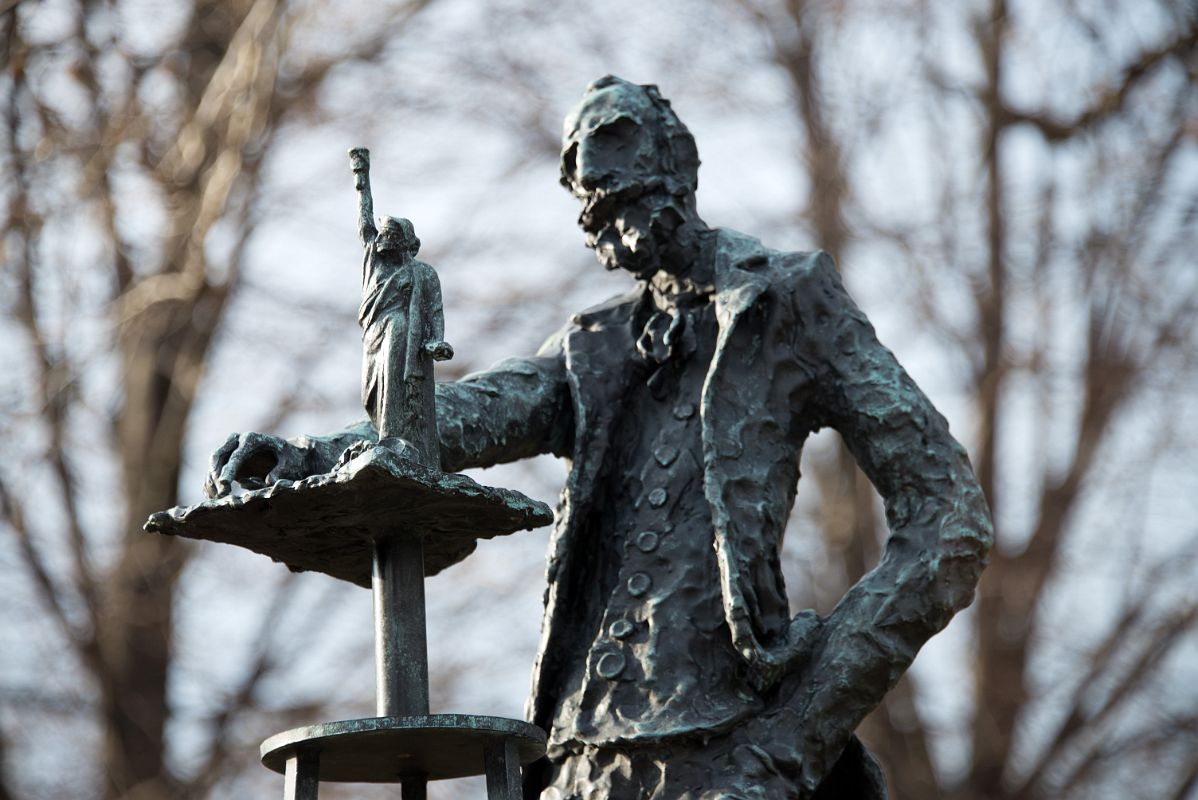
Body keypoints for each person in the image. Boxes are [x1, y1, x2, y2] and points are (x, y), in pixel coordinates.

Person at [206, 76, 992, 799]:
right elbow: (463, 414)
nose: (588, 174)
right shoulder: (593, 347)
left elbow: (949, 522)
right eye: (572, 166)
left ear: (678, 158)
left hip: (728, 754)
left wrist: (793, 737)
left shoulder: (785, 299)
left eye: (610, 140)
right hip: (574, 761)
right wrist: (309, 458)